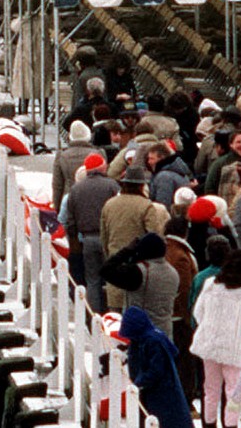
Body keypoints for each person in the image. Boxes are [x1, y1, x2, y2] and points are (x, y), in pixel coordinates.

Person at [190, 250, 241, 428]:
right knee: (232, 390)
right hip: (234, 346)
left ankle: (209, 423)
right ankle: (231, 424)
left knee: (210, 389)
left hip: (209, 343)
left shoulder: (210, 284)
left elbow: (198, 312)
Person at [103, 165, 171, 312]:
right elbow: (155, 238)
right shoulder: (146, 206)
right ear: (141, 185)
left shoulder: (109, 205)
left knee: (115, 316)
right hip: (138, 272)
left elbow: (104, 237)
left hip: (115, 264)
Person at [120, 305, 193, 428]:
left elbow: (156, 370)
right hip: (156, 392)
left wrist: (139, 382)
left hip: (163, 393)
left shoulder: (153, 342)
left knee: (168, 421)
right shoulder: (145, 339)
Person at [64, 152, 120, 312]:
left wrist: (75, 241)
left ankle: (93, 316)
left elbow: (70, 220)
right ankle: (112, 314)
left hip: (87, 240)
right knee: (111, 278)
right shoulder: (112, 186)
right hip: (108, 239)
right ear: (101, 167)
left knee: (92, 280)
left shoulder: (75, 190)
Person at [105, 232, 181, 339]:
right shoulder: (173, 273)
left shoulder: (139, 272)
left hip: (141, 336)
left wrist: (127, 251)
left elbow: (105, 271)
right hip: (165, 335)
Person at [165, 216, 201, 400]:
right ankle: (185, 399)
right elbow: (185, 289)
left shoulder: (165, 249)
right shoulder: (180, 255)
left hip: (166, 314)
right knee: (184, 361)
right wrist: (189, 317)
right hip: (179, 316)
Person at [55, 120, 100, 212]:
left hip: (69, 199)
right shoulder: (98, 154)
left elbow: (57, 185)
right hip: (94, 199)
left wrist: (57, 208)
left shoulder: (62, 156)